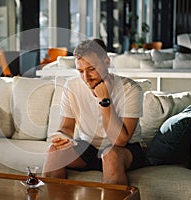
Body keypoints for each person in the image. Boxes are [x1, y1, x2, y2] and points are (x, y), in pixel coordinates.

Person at [42, 39, 147, 185]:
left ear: (107, 62)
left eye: (91, 69)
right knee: (54, 150)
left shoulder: (130, 89)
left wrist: (105, 100)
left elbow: (120, 140)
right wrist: (63, 137)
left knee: (110, 155)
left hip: (123, 151)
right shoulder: (71, 86)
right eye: (80, 71)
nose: (86, 78)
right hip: (88, 147)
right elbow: (67, 127)